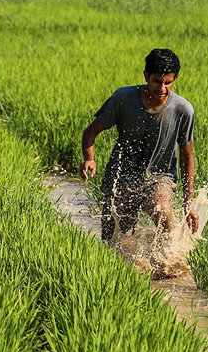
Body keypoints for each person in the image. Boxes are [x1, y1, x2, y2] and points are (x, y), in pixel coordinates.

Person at [81, 49, 199, 245]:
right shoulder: (124, 98)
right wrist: (89, 159)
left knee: (162, 212)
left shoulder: (183, 110)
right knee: (117, 241)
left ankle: (169, 266)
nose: (161, 88)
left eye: (167, 82)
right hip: (121, 175)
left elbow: (187, 156)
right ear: (146, 76)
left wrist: (189, 202)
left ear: (175, 79)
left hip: (160, 177)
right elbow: (91, 132)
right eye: (156, 81)